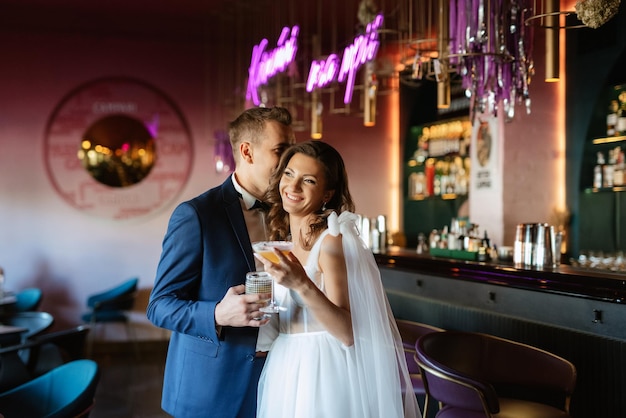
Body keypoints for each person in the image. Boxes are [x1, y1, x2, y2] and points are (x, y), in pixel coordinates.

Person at [147, 106, 296, 418]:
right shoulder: (198, 215)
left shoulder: (292, 212)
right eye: (281, 151)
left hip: (283, 374)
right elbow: (159, 305)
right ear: (247, 151)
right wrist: (216, 313)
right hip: (213, 384)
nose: (290, 162)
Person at [254, 141, 420, 418]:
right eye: (289, 174)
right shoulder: (282, 243)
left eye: (308, 180)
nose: (293, 187)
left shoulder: (330, 242)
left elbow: (346, 331)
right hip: (285, 364)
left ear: (327, 194)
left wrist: (301, 284)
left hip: (322, 369)